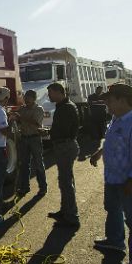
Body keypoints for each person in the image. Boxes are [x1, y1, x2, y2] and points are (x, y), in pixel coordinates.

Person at [89, 83, 132, 264]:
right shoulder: (116, 120)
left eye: (110, 100)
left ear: (123, 100)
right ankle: (115, 241)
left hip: (129, 182)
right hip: (114, 178)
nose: (106, 104)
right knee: (112, 209)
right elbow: (113, 142)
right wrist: (99, 152)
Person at [46, 83, 80, 227]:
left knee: (66, 182)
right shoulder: (63, 106)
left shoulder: (66, 107)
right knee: (65, 180)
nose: (49, 95)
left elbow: (63, 130)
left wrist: (48, 132)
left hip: (65, 146)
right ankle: (65, 211)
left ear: (58, 92)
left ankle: (71, 215)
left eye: (50, 92)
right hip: (64, 145)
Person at [13, 90, 48, 197]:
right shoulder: (22, 109)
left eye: (29, 98)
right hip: (24, 138)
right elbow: (19, 121)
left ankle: (43, 188)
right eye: (25, 97)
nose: (26, 100)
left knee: (38, 163)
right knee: (24, 164)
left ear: (34, 99)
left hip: (35, 138)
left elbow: (36, 123)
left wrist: (20, 117)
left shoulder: (39, 109)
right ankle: (25, 187)